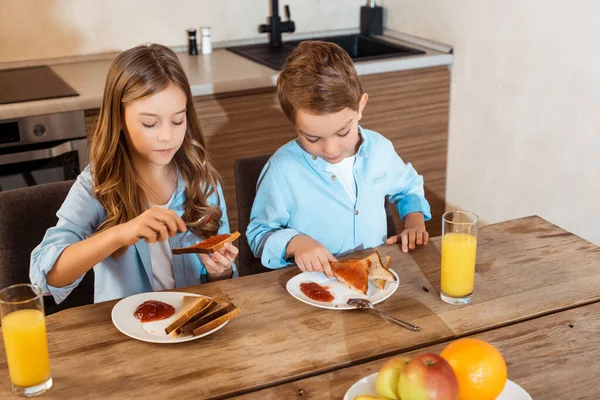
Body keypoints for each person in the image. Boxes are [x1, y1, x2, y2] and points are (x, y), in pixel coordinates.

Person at [30, 44, 238, 304]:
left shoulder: (202, 179)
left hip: (192, 328)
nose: (167, 136)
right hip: (128, 336)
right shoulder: (97, 184)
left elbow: (225, 281)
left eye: (177, 121)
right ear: (119, 119)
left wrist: (221, 270)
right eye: (149, 123)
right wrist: (120, 234)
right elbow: (45, 277)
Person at [246, 41, 430, 278]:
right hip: (312, 289)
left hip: (372, 283)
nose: (331, 149)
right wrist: (296, 243)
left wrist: (414, 224)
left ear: (360, 106)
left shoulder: (380, 150)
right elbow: (259, 234)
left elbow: (408, 188)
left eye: (343, 133)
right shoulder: (281, 170)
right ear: (291, 119)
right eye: (312, 138)